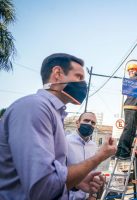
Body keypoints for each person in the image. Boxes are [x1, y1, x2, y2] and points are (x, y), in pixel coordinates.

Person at [0, 53, 116, 199]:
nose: (83, 85)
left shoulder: (55, 114)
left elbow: (54, 172)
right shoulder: (35, 108)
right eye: (79, 77)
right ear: (57, 73)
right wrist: (100, 156)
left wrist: (76, 182)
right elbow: (44, 189)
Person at [66, 111, 100, 200]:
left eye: (93, 123)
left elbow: (94, 172)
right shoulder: (65, 142)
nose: (89, 124)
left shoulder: (93, 146)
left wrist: (93, 196)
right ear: (77, 123)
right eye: (86, 120)